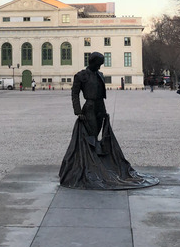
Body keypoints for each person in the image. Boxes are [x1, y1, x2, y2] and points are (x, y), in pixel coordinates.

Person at [59, 51, 158, 190]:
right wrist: (78, 111)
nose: (100, 67)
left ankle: (96, 163)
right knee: (91, 135)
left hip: (99, 107)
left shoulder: (99, 75)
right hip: (89, 107)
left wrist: (104, 111)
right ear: (92, 62)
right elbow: (74, 94)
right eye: (98, 64)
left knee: (99, 134)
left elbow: (101, 94)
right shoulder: (81, 75)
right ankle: (91, 165)